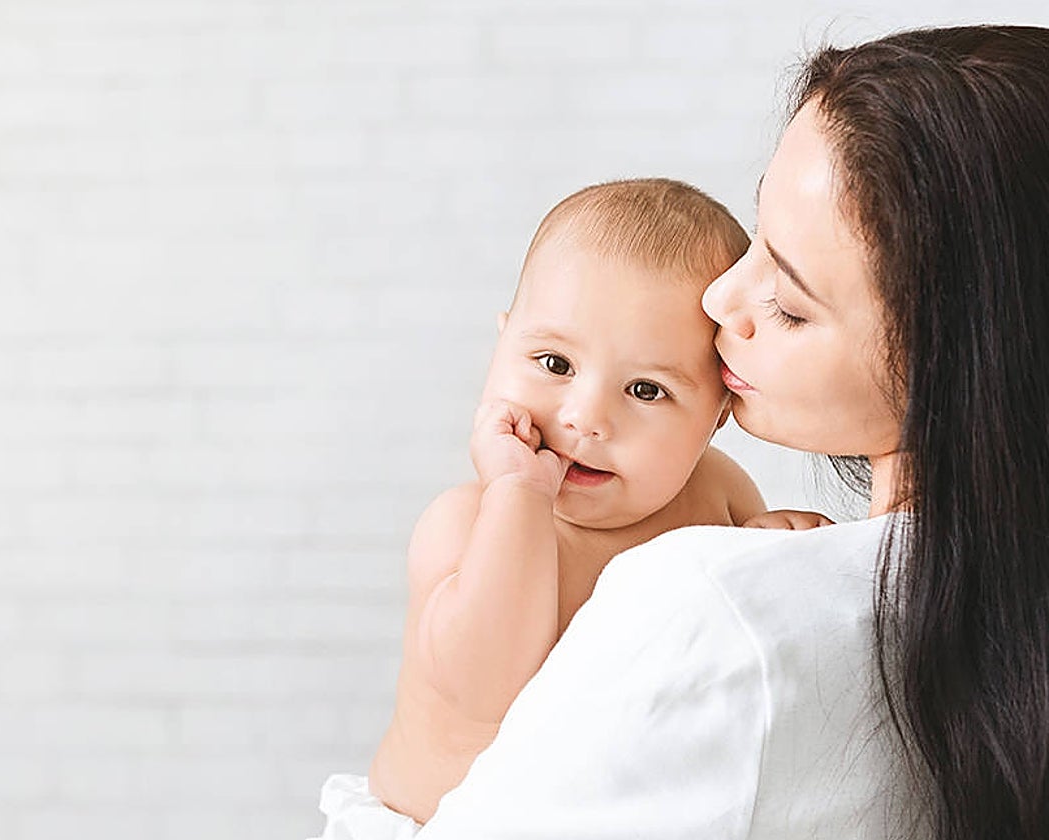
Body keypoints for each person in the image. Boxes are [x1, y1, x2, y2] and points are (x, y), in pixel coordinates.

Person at [409, 24, 1049, 840]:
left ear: (963, 366)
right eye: (757, 242)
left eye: (787, 301)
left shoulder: (715, 606)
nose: (717, 301)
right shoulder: (991, 624)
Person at [311, 178, 828, 838]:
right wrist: (519, 497)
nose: (585, 417)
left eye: (646, 389)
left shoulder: (716, 494)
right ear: (502, 346)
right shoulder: (466, 525)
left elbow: (726, 647)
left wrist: (772, 550)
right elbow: (489, 685)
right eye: (554, 362)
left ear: (717, 414)